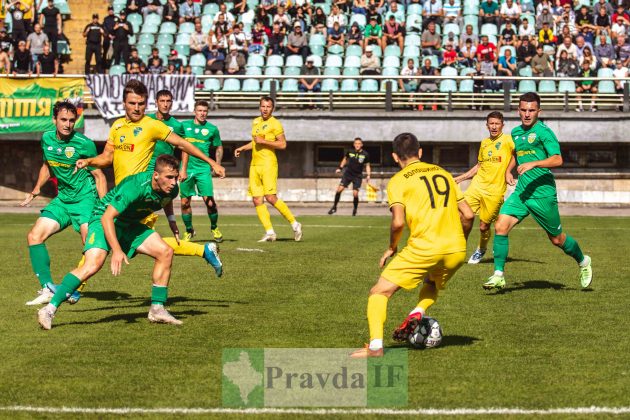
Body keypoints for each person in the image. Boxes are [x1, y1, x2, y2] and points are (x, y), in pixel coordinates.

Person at [71, 80, 226, 299]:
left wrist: (212, 162)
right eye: (132, 103)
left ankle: (72, 289)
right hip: (121, 198)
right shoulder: (117, 126)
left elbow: (183, 144)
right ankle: (203, 250)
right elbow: (107, 157)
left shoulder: (151, 125)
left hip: (139, 200)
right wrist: (89, 161)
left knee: (101, 243)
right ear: (124, 103)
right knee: (142, 245)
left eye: (141, 103)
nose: (136, 107)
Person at [37, 155, 222, 330]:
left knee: (165, 252)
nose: (174, 182)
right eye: (169, 177)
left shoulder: (171, 188)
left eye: (175, 177)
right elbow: (108, 217)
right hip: (103, 219)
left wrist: (172, 222)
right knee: (93, 264)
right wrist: (116, 250)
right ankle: (49, 310)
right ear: (156, 175)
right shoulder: (134, 186)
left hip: (130, 224)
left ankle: (157, 309)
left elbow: (165, 200)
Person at [350, 132, 473, 358]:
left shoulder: (399, 181)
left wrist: (391, 247)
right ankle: (418, 311)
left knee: (379, 292)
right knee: (432, 282)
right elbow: (468, 214)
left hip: (424, 248)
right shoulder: (443, 173)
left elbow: (398, 222)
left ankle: (376, 347)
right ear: (420, 152)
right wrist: (459, 242)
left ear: (395, 157)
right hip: (456, 249)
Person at [483, 92, 593, 291]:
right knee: (501, 226)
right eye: (523, 110)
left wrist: (534, 164)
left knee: (557, 239)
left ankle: (583, 261)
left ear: (538, 111)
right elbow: (518, 154)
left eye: (531, 110)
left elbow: (557, 159)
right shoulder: (516, 132)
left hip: (543, 192)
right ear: (518, 111)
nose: (527, 114)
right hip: (522, 191)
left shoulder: (544, 132)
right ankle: (498, 274)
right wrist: (509, 170)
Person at [21, 101, 107, 306]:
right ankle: (48, 288)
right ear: (54, 120)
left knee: (92, 250)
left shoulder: (84, 143)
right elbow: (47, 165)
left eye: (71, 120)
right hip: (63, 200)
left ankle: (71, 289)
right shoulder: (47, 138)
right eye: (63, 120)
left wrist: (103, 208)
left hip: (86, 200)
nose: (68, 124)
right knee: (34, 236)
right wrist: (36, 189)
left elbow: (100, 176)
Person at [234, 96, 303, 242]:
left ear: (273, 108)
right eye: (263, 106)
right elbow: (255, 143)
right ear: (260, 107)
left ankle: (295, 223)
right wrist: (243, 148)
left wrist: (264, 141)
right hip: (254, 165)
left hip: (268, 164)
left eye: (268, 107)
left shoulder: (275, 124)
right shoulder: (256, 121)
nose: (265, 109)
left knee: (270, 197)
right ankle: (270, 232)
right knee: (257, 199)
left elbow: (283, 144)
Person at [454, 112, 514, 264]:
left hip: (495, 190)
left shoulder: (508, 140)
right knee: (461, 213)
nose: (494, 127)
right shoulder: (484, 143)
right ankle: (457, 248)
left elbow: (517, 155)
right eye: (491, 124)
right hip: (477, 186)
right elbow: (479, 165)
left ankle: (481, 249)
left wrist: (508, 171)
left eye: (497, 124)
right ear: (487, 125)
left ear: (502, 125)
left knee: (483, 226)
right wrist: (461, 178)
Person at [179, 100, 224, 243]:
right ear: (194, 112)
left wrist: (217, 165)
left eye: (205, 111)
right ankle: (189, 230)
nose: (202, 113)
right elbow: (180, 146)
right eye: (200, 110)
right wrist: (182, 169)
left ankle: (214, 227)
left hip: (203, 169)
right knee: (185, 203)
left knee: (210, 202)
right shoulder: (184, 126)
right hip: (187, 168)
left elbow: (219, 147)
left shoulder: (212, 129)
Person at [328, 138, 371, 216]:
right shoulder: (350, 152)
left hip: (357, 176)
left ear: (361, 145)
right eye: (356, 143)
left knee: (355, 194)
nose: (357, 145)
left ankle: (355, 209)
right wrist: (340, 168)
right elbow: (345, 159)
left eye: (359, 143)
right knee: (339, 190)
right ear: (354, 144)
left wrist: (368, 175)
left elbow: (367, 165)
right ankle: (334, 207)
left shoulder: (365, 154)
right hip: (348, 174)